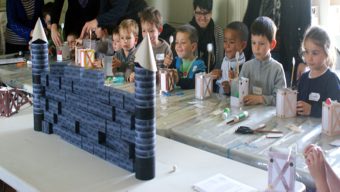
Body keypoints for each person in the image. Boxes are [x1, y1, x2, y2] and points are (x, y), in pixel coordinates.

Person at [243, 0, 311, 87]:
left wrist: (303, 60)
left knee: (281, 96)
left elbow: (306, 28)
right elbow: (248, 20)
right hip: (256, 51)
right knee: (251, 93)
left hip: (287, 56)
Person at [239, 16, 286, 106]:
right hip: (248, 113)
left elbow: (281, 100)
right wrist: (232, 85)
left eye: (261, 43)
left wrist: (260, 99)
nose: (257, 48)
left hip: (269, 117)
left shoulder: (277, 69)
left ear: (272, 44)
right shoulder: (246, 66)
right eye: (254, 43)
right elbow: (240, 94)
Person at [297, 26, 340, 117]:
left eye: (315, 53)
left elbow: (336, 112)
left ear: (326, 53)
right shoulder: (304, 78)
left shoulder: (332, 80)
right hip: (302, 128)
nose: (309, 58)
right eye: (307, 52)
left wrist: (312, 110)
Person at [210, 21, 248, 95]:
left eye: (231, 42)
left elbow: (242, 92)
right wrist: (217, 74)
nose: (227, 46)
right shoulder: (225, 58)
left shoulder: (244, 67)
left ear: (243, 45)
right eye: (225, 41)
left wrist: (231, 88)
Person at [80, 0, 147, 40]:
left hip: (137, 21)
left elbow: (119, 9)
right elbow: (104, 7)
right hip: (124, 23)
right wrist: (99, 26)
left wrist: (98, 21)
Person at [189, 0, 224, 73]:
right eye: (199, 13)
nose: (202, 17)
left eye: (206, 13)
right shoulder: (186, 32)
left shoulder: (218, 32)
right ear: (194, 12)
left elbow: (219, 61)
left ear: (211, 13)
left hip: (212, 79)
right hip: (190, 78)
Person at [173, 24, 206, 89]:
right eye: (176, 42)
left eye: (183, 43)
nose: (178, 46)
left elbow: (196, 84)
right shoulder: (175, 61)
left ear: (193, 47)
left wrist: (178, 80)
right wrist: (165, 65)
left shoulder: (199, 64)